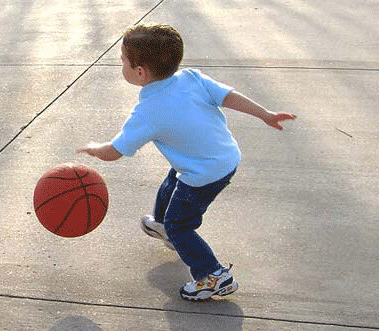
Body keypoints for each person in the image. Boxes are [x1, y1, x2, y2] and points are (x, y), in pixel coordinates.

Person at [76, 23, 296, 301]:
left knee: (182, 225)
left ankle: (213, 275)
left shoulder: (148, 110)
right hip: (224, 156)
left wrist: (95, 148)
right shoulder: (191, 77)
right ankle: (162, 225)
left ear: (140, 72)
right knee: (173, 179)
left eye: (122, 61)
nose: (121, 66)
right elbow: (228, 96)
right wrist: (265, 113)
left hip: (203, 173)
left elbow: (116, 151)